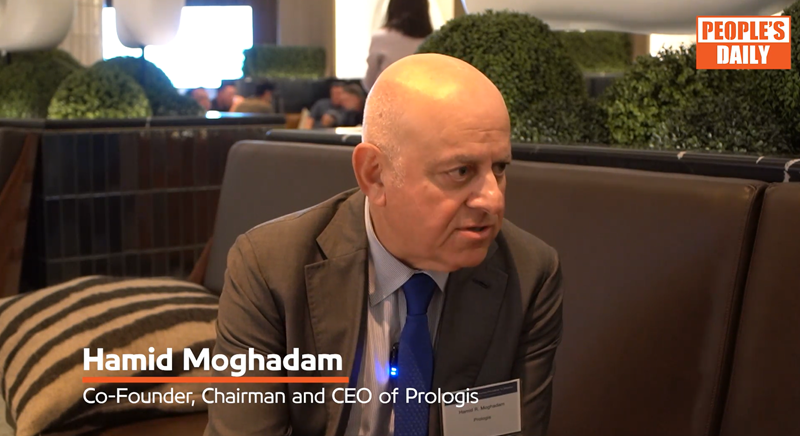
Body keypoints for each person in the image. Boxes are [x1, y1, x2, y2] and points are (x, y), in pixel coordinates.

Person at [204, 53, 563, 436]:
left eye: (499, 168)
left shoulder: (529, 274)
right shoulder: (270, 267)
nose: (493, 200)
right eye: (461, 171)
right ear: (374, 175)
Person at [363, 0, 434, 91]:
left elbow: (370, 83)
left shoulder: (380, 38)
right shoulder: (433, 40)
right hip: (425, 96)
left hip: (388, 96)